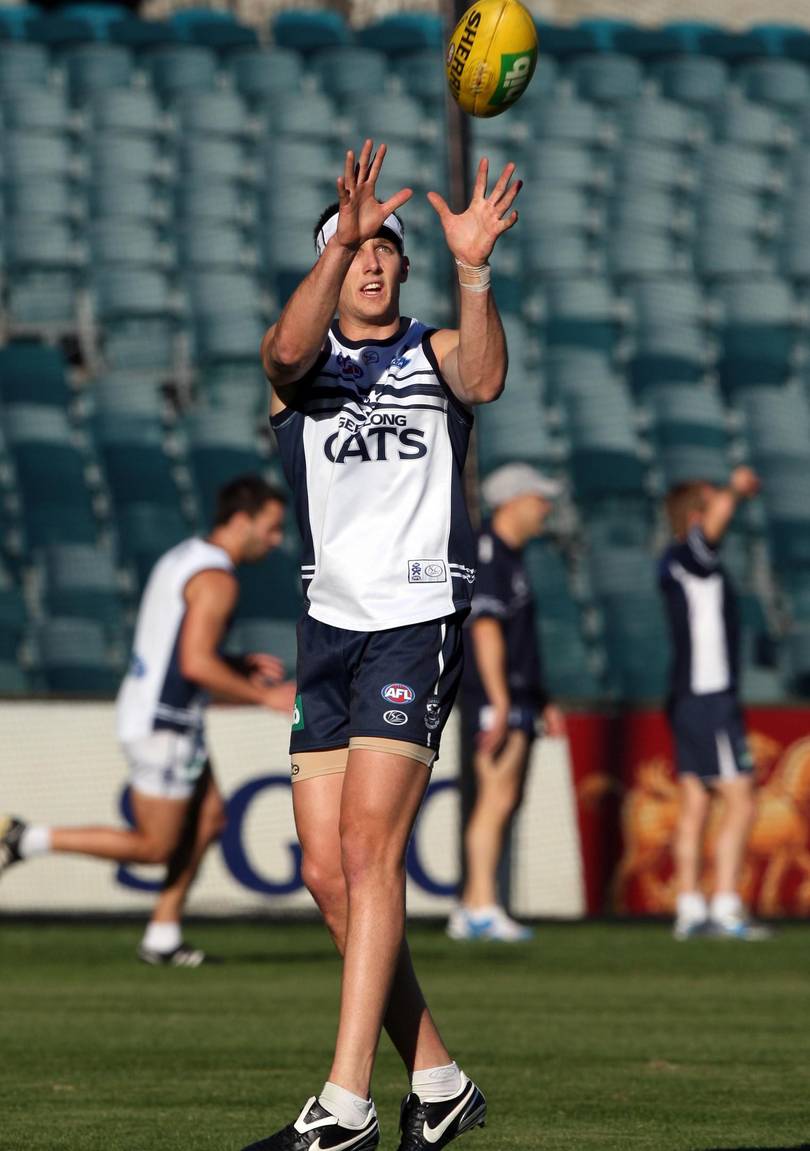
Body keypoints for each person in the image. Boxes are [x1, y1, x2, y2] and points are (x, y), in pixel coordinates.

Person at [242, 138, 521, 1151]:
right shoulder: (302, 367)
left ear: (403, 266)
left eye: (383, 247)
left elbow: (484, 379)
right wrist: (336, 235)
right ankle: (439, 1079)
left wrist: (475, 267)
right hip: (328, 629)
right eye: (352, 247)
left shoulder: (432, 350)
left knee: (369, 850)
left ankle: (347, 1103)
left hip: (413, 619)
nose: (369, 259)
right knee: (327, 874)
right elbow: (281, 352)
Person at [0, 474, 296, 965]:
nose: (275, 539)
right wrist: (264, 698)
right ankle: (25, 839)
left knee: (210, 818)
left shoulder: (185, 556)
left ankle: (162, 933)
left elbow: (178, 642)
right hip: (166, 724)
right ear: (241, 520)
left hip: (158, 713)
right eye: (270, 528)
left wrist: (237, 662)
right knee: (154, 847)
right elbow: (195, 664)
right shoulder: (217, 579)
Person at [447, 463, 566, 944]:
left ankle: (479, 903)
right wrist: (499, 702)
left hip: (518, 695)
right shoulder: (489, 553)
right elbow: (487, 631)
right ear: (514, 500)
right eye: (540, 499)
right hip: (496, 696)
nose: (547, 509)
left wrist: (543, 699)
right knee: (494, 799)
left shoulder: (510, 556)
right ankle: (478, 904)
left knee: (502, 799)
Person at [659, 466, 771, 941]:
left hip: (688, 696)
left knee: (696, 802)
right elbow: (719, 516)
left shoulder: (674, 560)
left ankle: (689, 906)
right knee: (741, 799)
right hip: (709, 696)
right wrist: (737, 489)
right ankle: (725, 904)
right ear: (695, 515)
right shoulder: (690, 554)